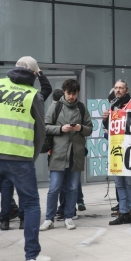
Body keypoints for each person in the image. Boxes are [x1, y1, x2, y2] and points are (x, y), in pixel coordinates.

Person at [0, 56, 51, 261]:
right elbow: (40, 132)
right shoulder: (32, 95)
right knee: (31, 203)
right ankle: (32, 257)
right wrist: (32, 156)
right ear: (34, 74)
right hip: (19, 158)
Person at [40, 79, 92, 231]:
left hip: (76, 154)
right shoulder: (56, 106)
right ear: (64, 92)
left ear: (77, 93)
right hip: (58, 153)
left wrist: (80, 128)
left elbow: (89, 128)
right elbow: (45, 127)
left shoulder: (81, 108)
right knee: (54, 188)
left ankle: (69, 217)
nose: (71, 97)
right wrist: (60, 129)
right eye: (69, 93)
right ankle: (49, 219)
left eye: (74, 94)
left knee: (72, 188)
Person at [103, 80, 131, 227]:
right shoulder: (113, 105)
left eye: (121, 88)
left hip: (130, 149)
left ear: (127, 90)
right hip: (116, 150)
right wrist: (105, 120)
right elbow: (110, 129)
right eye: (116, 88)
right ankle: (124, 213)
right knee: (119, 184)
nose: (118, 90)